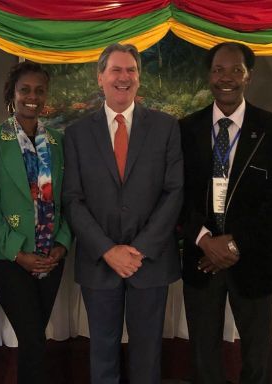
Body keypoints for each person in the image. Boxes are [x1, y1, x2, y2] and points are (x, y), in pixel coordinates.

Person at [62, 43, 183, 384]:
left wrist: (140, 248)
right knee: (102, 351)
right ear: (100, 77)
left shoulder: (165, 127)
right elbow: (72, 199)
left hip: (151, 261)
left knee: (148, 354)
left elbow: (174, 192)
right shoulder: (76, 134)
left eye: (131, 70)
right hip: (99, 262)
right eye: (116, 70)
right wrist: (108, 250)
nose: (124, 77)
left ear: (139, 79)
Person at [180, 42, 272, 384]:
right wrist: (205, 240)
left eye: (235, 70)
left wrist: (233, 245)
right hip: (201, 261)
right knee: (204, 359)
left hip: (252, 262)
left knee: (257, 360)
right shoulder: (186, 129)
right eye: (218, 70)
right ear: (209, 76)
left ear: (248, 76)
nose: (225, 78)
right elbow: (176, 195)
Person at [0, 61, 71, 384]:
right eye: (25, 90)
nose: (33, 96)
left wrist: (62, 244)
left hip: (50, 257)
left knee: (35, 339)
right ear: (12, 94)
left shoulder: (58, 141)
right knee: (33, 338)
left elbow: (67, 200)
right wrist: (18, 252)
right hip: (9, 258)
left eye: (39, 90)